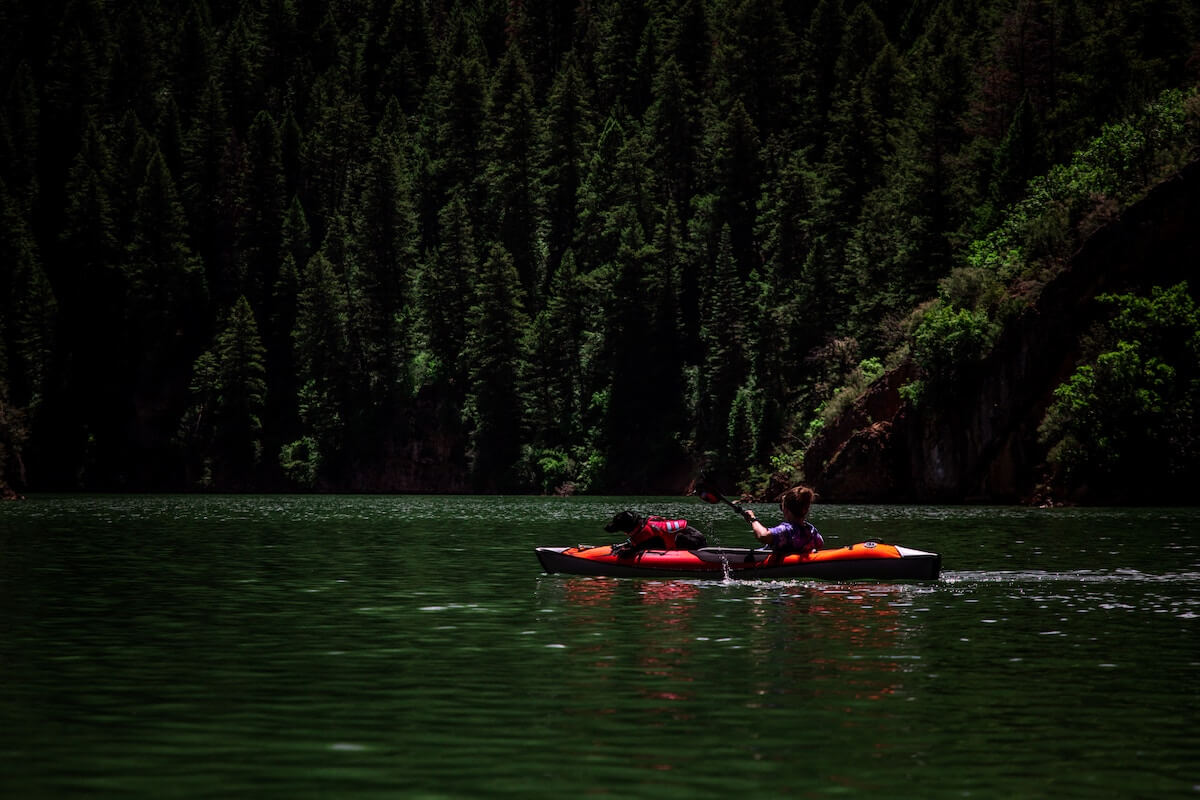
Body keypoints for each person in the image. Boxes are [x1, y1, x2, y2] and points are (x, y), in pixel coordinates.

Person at [744, 485, 824, 554]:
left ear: (786, 509)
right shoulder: (811, 530)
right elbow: (820, 544)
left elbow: (763, 535)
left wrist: (753, 519)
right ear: (806, 510)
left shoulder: (786, 530)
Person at [604, 510, 708, 557]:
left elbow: (643, 546)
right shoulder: (644, 529)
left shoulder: (647, 531)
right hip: (693, 537)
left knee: (678, 538)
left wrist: (628, 552)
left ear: (626, 525)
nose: (612, 525)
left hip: (694, 540)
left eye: (616, 523)